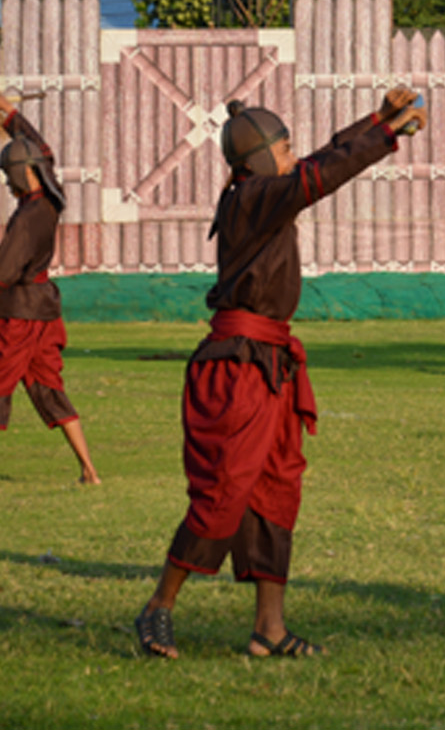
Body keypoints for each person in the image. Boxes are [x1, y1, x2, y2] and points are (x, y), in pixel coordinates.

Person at [134, 88, 427, 660]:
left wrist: (378, 119)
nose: (295, 157)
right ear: (259, 158)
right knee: (225, 492)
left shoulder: (267, 192)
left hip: (271, 365)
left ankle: (269, 628)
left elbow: (321, 160)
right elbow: (320, 175)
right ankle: (157, 607)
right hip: (237, 368)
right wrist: (387, 136)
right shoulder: (252, 197)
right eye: (286, 148)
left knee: (276, 491)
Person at [0, 90, 100, 491]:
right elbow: (42, 151)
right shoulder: (51, 200)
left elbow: (0, 274)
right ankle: (90, 470)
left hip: (16, 315)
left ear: (18, 174)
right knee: (49, 388)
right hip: (45, 314)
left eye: (7, 176)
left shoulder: (27, 218)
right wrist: (7, 111)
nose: (6, 183)